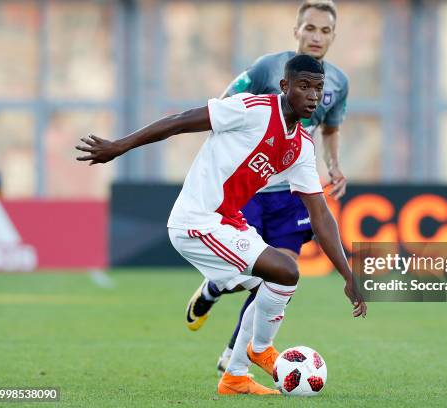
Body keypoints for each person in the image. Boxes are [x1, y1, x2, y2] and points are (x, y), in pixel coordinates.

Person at [76, 54, 366, 395]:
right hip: (196, 222)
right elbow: (183, 120)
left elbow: (320, 214)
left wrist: (347, 275)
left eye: (318, 89)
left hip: (229, 223)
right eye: (304, 87)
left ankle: (235, 376)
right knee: (286, 272)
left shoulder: (301, 145)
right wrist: (119, 145)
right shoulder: (253, 109)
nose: (313, 96)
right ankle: (258, 350)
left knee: (271, 284)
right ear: (285, 87)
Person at [183, 0, 350, 375]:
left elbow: (331, 127)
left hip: (292, 193)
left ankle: (234, 354)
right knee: (253, 271)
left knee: (279, 273)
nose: (316, 37)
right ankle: (213, 289)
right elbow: (225, 103)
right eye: (310, 28)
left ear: (333, 37)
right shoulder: (267, 68)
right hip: (252, 190)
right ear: (296, 31)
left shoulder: (338, 83)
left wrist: (334, 164)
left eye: (325, 31)